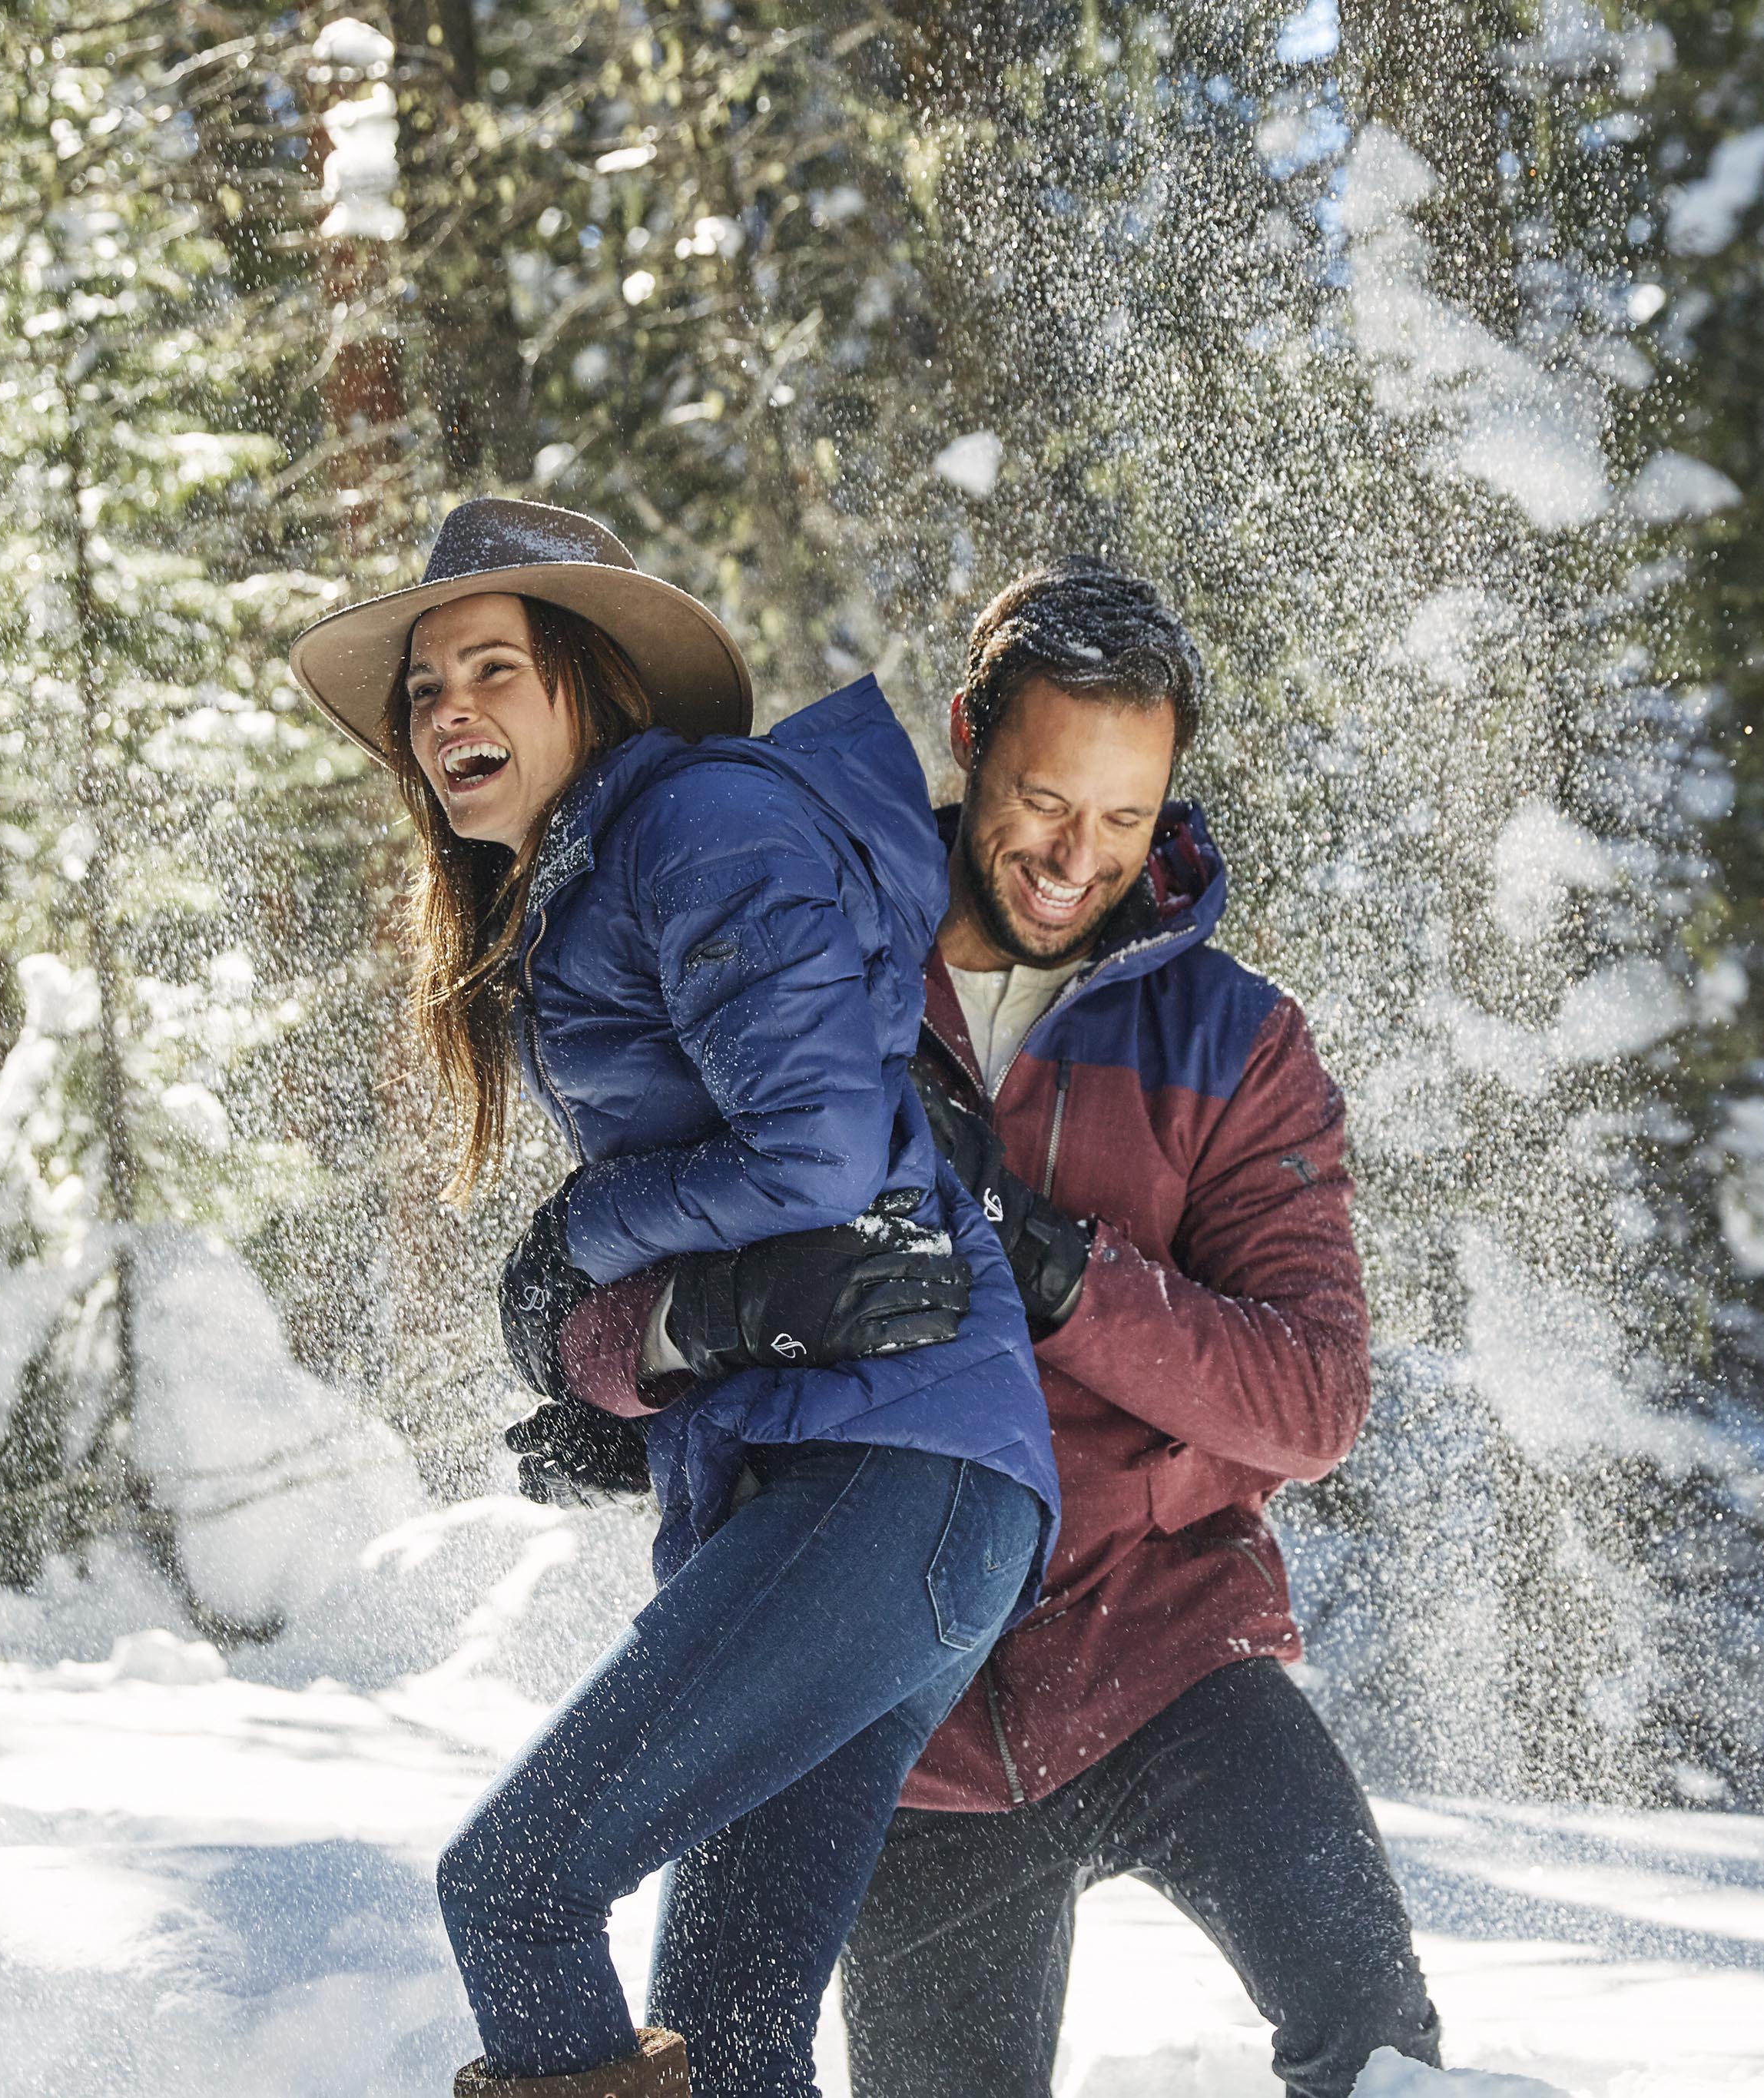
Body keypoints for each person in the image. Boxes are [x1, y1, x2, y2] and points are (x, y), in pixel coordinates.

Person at [548, 557, 1442, 2098]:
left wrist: (1056, 1271)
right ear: (967, 733)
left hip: (1163, 1647)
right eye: (1041, 798)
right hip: (898, 1706)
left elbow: (1310, 1395)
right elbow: (593, 1304)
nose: (1071, 857)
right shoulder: (809, 976)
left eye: (1124, 818)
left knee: (1378, 2045)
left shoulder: (1232, 1042)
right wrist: (690, 1336)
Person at [289, 499, 1060, 2098]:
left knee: (511, 1887)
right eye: (422, 688)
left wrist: (581, 1231)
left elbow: (819, 1151)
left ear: (593, 682)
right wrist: (635, 1372)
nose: (446, 713)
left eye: (491, 668)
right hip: (883, 1487)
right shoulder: (598, 872)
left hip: (892, 1474)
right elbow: (767, 1236)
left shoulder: (690, 826)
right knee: (724, 2042)